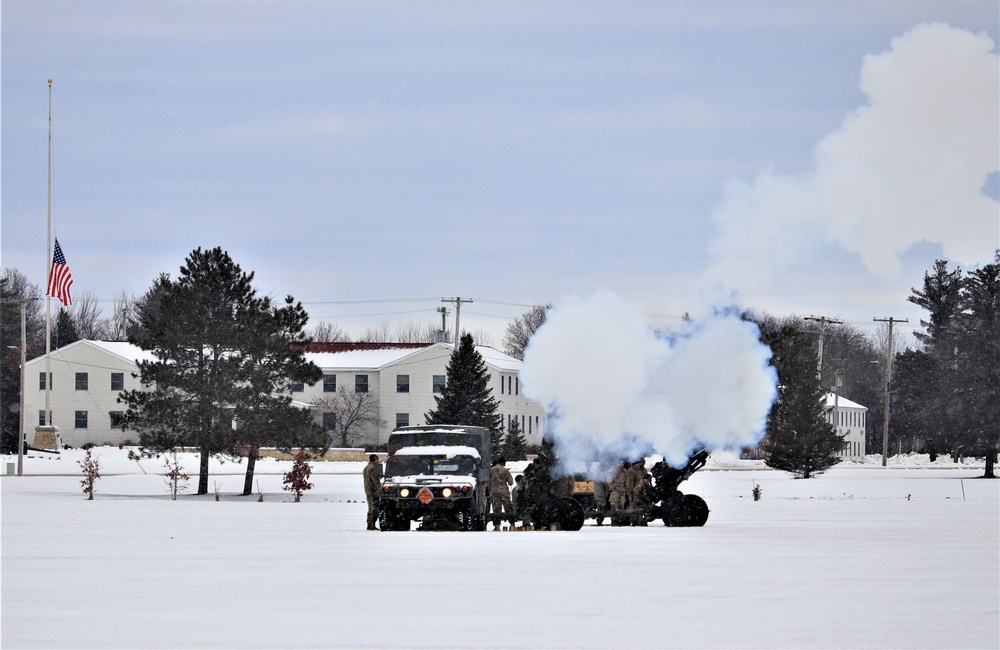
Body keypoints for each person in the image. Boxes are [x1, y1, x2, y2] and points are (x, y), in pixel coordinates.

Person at [490, 456, 514, 526]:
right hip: (504, 491)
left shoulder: (491, 470)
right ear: (503, 463)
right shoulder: (505, 470)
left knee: (496, 509)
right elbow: (510, 482)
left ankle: (497, 525)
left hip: (494, 491)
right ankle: (512, 524)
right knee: (508, 508)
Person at [362, 453, 383, 531]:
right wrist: (380, 488)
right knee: (375, 508)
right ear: (375, 460)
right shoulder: (373, 468)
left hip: (367, 490)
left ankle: (369, 524)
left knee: (370, 508)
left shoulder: (366, 468)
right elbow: (375, 480)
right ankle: (372, 525)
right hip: (373, 491)